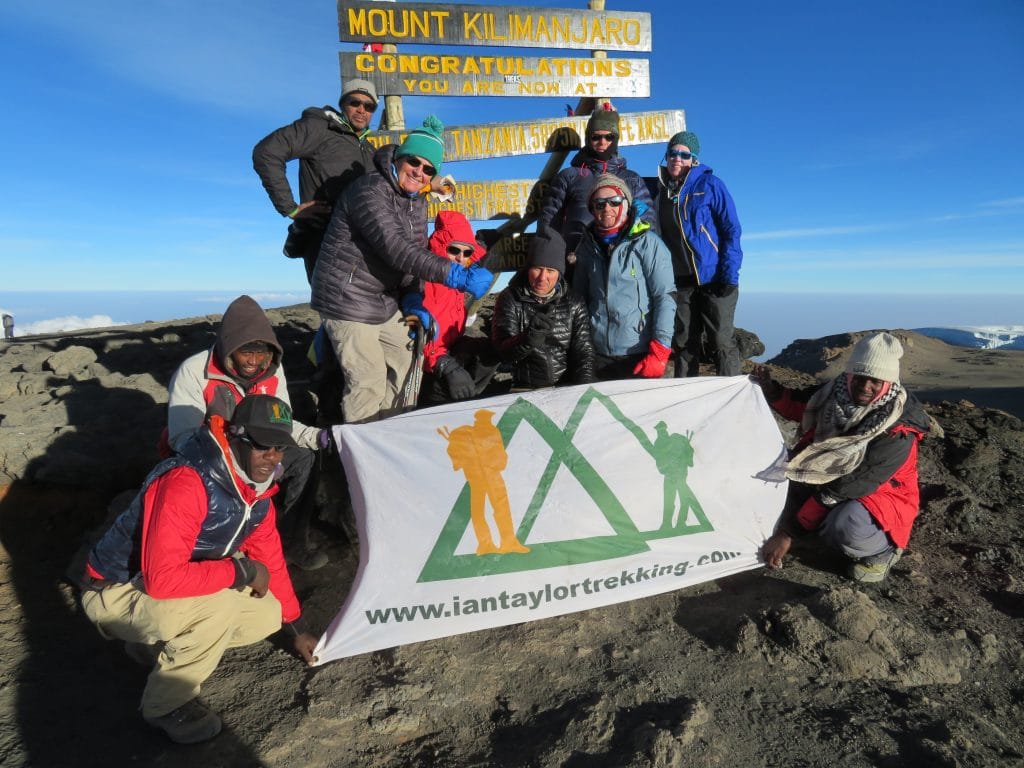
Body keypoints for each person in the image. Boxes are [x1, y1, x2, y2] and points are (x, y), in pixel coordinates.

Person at [80, 395, 318, 744]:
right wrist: (242, 572)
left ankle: (154, 647)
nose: (274, 458)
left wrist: (296, 628)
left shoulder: (255, 495)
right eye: (264, 446)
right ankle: (166, 705)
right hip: (114, 592)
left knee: (267, 614)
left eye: (280, 448)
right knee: (217, 606)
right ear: (235, 436)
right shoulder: (187, 481)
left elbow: (272, 561)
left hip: (158, 591)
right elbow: (163, 580)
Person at [311, 115, 493, 423]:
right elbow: (397, 250)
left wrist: (412, 298)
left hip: (383, 299)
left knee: (408, 359)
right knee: (368, 378)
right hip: (346, 298)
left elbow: (414, 255)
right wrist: (457, 275)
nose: (420, 172)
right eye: (414, 163)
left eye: (429, 169)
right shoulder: (369, 192)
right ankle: (363, 451)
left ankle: (393, 429)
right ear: (398, 158)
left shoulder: (416, 203)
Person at [166, 295, 329, 570]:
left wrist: (320, 437)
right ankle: (232, 553)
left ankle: (292, 543)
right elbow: (184, 440)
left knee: (305, 458)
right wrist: (240, 463)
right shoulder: (194, 372)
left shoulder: (272, 372)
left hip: (259, 452)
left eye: (261, 353)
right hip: (211, 462)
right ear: (229, 348)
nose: (255, 361)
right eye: (246, 353)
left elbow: (282, 425)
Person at [757, 333, 932, 583]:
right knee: (779, 485)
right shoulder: (834, 393)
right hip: (832, 480)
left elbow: (846, 486)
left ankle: (882, 553)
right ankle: (815, 527)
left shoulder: (898, 431)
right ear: (849, 375)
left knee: (847, 523)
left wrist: (788, 533)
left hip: (879, 496)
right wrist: (772, 391)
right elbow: (800, 407)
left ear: (888, 383)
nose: (864, 386)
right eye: (859, 377)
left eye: (875, 380)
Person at [252, 79, 378, 283]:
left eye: (369, 106)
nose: (362, 109)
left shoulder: (368, 149)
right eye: (355, 102)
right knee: (337, 311)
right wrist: (290, 208)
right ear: (343, 104)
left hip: (364, 252)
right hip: (326, 247)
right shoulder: (320, 128)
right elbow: (266, 152)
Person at [652, 130, 744, 377]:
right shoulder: (661, 191)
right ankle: (686, 396)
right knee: (684, 343)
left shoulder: (710, 185)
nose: (677, 159)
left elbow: (731, 230)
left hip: (714, 278)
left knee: (721, 342)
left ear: (694, 159)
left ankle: (731, 395)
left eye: (684, 154)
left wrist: (729, 275)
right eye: (673, 153)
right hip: (680, 281)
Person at [572, 173, 675, 380]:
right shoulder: (587, 246)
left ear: (626, 203)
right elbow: (579, 300)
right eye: (599, 204)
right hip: (597, 353)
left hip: (638, 353)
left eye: (614, 201)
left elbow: (665, 296)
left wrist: (660, 350)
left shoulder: (647, 243)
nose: (607, 208)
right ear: (592, 209)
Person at [538, 107, 655, 264]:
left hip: (624, 266)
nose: (602, 142)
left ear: (616, 139)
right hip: (576, 264)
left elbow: (649, 224)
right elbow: (549, 223)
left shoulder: (632, 179)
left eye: (609, 137)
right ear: (588, 139)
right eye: (596, 137)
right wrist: (549, 264)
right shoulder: (569, 176)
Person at [491, 223, 596, 389]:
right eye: (537, 268)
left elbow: (583, 352)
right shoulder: (509, 298)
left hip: (566, 388)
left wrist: (583, 390)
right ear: (528, 268)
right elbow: (502, 352)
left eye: (550, 270)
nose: (542, 277)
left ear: (559, 273)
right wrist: (528, 339)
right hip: (525, 388)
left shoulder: (574, 301)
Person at [414, 211, 499, 405]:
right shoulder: (425, 280)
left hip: (451, 347)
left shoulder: (457, 278)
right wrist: (445, 365)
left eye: (466, 252)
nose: (461, 258)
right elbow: (418, 333)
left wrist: (485, 243)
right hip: (428, 360)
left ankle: (465, 399)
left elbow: (470, 254)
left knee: (491, 350)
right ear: (441, 247)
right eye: (454, 250)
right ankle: (436, 405)